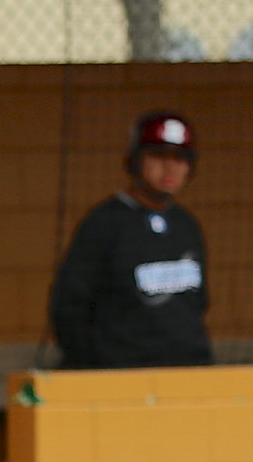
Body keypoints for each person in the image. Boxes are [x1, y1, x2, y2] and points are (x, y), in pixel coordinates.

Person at [49, 109, 211, 369]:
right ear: (135, 160)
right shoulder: (104, 223)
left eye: (180, 158)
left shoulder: (186, 224)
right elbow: (69, 307)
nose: (170, 167)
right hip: (122, 376)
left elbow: (197, 302)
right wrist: (97, 364)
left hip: (187, 369)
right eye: (158, 156)